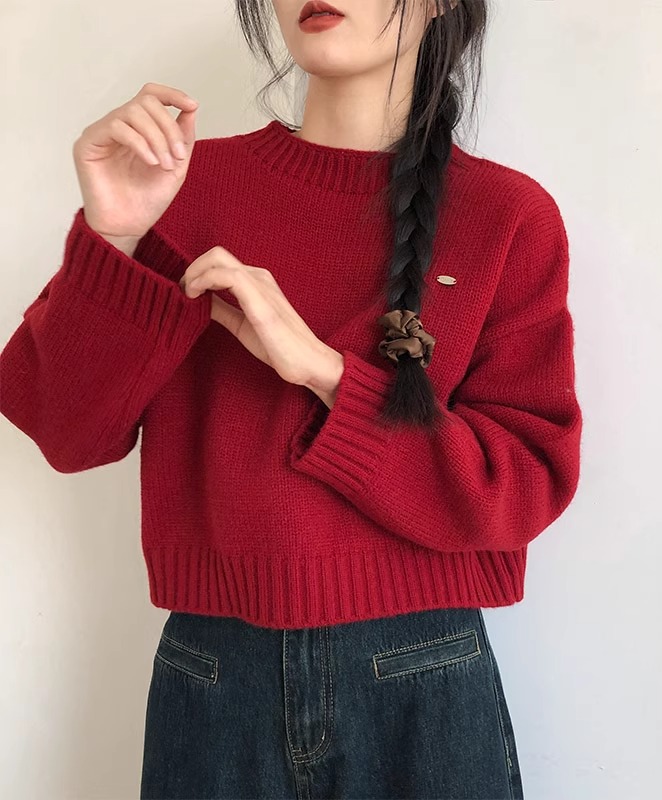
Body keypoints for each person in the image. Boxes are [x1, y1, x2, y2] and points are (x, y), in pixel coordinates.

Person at [0, 1, 583, 797]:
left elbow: (521, 487)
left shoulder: (506, 216)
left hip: (424, 675)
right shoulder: (180, 189)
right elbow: (66, 433)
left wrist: (327, 374)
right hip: (213, 677)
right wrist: (113, 238)